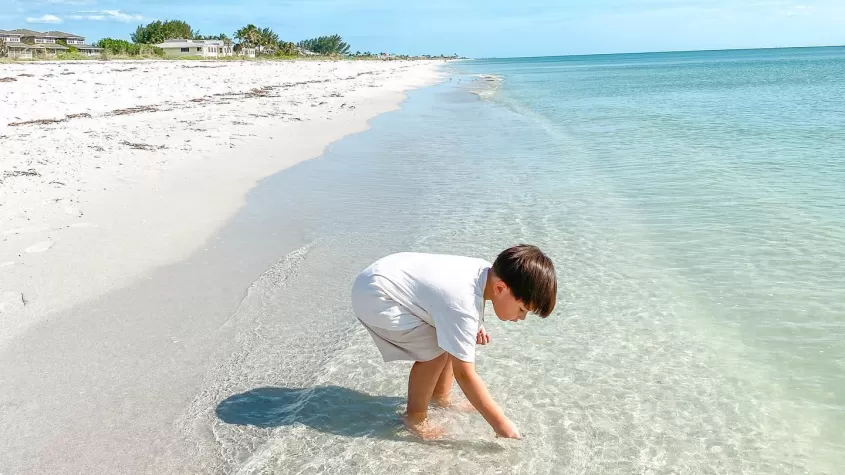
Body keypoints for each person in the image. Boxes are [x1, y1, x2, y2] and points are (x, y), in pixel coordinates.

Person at [351, 244, 557, 439]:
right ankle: (415, 417)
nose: (521, 318)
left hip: (386, 273)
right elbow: (465, 374)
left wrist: (476, 325)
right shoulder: (463, 306)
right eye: (522, 310)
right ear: (501, 288)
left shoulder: (486, 272)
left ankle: (440, 397)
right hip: (375, 295)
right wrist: (501, 424)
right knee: (434, 352)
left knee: (454, 339)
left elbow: (453, 299)